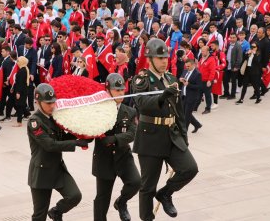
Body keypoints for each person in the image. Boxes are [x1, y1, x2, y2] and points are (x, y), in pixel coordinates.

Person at [131, 38, 198, 221]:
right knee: (147, 187)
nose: (163, 61)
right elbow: (142, 104)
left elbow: (178, 111)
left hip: (171, 134)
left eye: (165, 58)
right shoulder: (141, 79)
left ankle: (166, 193)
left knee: (189, 168)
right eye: (159, 58)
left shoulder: (170, 78)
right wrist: (162, 95)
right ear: (150, 59)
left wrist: (183, 135)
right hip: (150, 139)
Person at [27, 84, 89, 221]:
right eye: (48, 103)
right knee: (39, 215)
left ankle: (56, 211)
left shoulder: (54, 117)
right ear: (38, 102)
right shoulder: (34, 122)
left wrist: (83, 135)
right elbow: (49, 145)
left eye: (53, 102)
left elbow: (62, 137)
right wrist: (76, 143)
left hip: (57, 168)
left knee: (74, 196)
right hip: (41, 172)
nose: (52, 105)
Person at [93, 73, 140, 221]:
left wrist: (114, 138)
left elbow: (132, 134)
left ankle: (121, 202)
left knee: (135, 182)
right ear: (108, 91)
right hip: (104, 159)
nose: (121, 93)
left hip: (123, 156)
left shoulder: (129, 111)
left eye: (122, 90)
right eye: (117, 90)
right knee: (102, 198)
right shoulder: (97, 110)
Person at [180, 59, 202, 133]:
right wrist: (180, 79)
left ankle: (184, 130)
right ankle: (197, 124)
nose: (187, 67)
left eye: (188, 66)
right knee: (184, 113)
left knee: (187, 115)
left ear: (193, 65)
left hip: (192, 97)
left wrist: (189, 85)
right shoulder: (185, 71)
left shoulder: (197, 74)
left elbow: (199, 87)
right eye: (186, 66)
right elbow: (181, 77)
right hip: (184, 95)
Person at [12, 56, 30, 127]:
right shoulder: (24, 69)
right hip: (23, 90)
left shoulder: (22, 70)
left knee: (19, 106)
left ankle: (19, 122)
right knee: (21, 105)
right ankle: (26, 113)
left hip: (21, 91)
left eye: (18, 61)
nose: (17, 62)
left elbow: (21, 82)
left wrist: (18, 92)